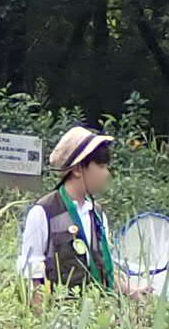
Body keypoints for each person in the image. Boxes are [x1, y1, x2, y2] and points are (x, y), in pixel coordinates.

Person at [16, 126, 152, 295]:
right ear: (78, 169)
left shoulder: (97, 214)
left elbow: (105, 270)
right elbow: (32, 280)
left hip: (99, 315)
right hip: (60, 316)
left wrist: (132, 292)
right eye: (101, 166)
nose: (107, 174)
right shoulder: (43, 212)